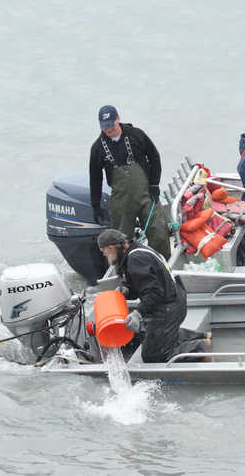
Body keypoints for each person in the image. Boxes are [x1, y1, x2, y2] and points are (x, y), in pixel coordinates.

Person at [96, 228, 207, 363]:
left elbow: (154, 292)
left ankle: (203, 348)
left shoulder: (135, 259)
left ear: (111, 248)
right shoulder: (136, 250)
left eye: (104, 251)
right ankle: (203, 336)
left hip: (168, 307)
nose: (104, 255)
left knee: (153, 356)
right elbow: (143, 284)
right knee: (154, 334)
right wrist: (126, 290)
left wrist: (138, 313)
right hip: (173, 299)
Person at [89, 105, 170, 257]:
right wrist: (95, 205)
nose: (108, 129)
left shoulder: (136, 135)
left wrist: (154, 184)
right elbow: (95, 178)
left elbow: (154, 157)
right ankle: (125, 271)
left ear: (118, 119)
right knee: (120, 241)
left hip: (146, 195)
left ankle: (163, 263)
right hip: (121, 201)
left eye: (111, 125)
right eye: (104, 127)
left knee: (158, 230)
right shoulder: (97, 148)